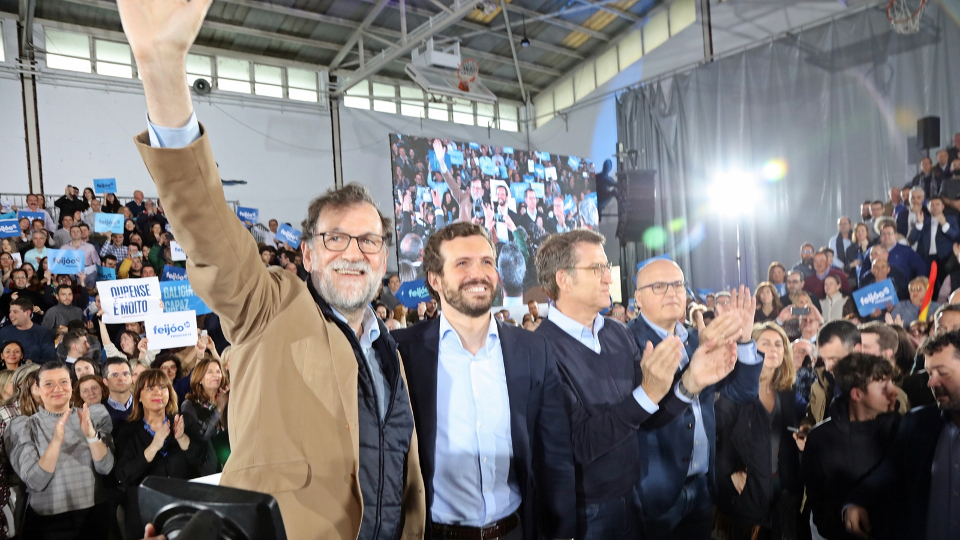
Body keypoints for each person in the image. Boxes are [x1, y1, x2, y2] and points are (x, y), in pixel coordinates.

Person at [120, 11, 425, 531]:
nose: (355, 251)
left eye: (370, 240)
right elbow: (208, 227)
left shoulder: (388, 349)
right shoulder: (270, 306)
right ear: (306, 255)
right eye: (335, 238)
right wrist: (162, 69)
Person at [533, 231, 738, 540]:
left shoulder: (615, 332)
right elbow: (575, 446)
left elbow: (646, 417)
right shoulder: (540, 349)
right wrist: (647, 394)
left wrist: (691, 382)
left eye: (607, 266)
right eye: (596, 269)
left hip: (632, 499)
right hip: (587, 512)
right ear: (563, 279)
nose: (608, 277)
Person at [392, 222, 575, 540]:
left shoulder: (532, 349)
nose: (479, 274)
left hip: (516, 531)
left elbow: (555, 453)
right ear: (435, 279)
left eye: (486, 262)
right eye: (462, 263)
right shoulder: (402, 352)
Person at [627, 258, 762, 540]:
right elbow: (636, 417)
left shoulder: (696, 339)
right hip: (652, 493)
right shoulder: (624, 342)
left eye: (677, 284)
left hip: (701, 487)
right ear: (638, 298)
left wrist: (746, 338)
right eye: (659, 286)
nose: (672, 292)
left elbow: (742, 392)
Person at [843, 329, 960, 540]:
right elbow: (890, 471)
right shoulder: (918, 422)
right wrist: (856, 501)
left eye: (942, 373)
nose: (931, 383)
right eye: (929, 373)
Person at [5, 361, 114, 539]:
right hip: (47, 522)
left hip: (93, 515)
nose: (58, 388)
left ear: (71, 385)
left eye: (63, 382)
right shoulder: (24, 426)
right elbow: (35, 481)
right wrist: (56, 441)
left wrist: (91, 435)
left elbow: (106, 468)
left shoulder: (93, 416)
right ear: (38, 389)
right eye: (49, 384)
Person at [714, 322, 801, 540]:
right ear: (750, 350)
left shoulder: (787, 392)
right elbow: (714, 435)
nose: (774, 349)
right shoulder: (731, 390)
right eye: (766, 343)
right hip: (745, 488)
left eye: (779, 344)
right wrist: (726, 474)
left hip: (782, 489)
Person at [802, 353, 900, 540]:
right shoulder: (820, 437)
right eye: (884, 387)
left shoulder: (902, 429)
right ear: (857, 394)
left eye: (893, 383)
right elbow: (816, 496)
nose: (894, 391)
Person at [115, 369, 204, 539]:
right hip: (143, 515)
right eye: (150, 388)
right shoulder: (127, 431)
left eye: (163, 387)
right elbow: (124, 476)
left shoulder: (182, 421)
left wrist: (181, 438)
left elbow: (199, 458)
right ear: (139, 396)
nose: (158, 392)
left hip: (181, 510)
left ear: (169, 394)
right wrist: (153, 447)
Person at [180, 358, 229, 477]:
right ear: (200, 378)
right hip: (206, 468)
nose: (215, 375)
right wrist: (219, 409)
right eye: (210, 372)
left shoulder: (228, 399)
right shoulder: (189, 405)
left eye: (218, 371)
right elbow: (201, 435)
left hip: (230, 461)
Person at [806, 321, 862, 426]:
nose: (828, 367)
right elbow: (811, 416)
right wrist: (807, 426)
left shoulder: (878, 392)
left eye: (834, 359)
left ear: (857, 350)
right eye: (824, 360)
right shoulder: (820, 384)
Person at [0, 298, 56, 364]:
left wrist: (29, 362)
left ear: (27, 313)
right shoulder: (3, 332)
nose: (10, 315)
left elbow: (50, 360)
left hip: (34, 371)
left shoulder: (43, 333)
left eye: (15, 312)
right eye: (10, 312)